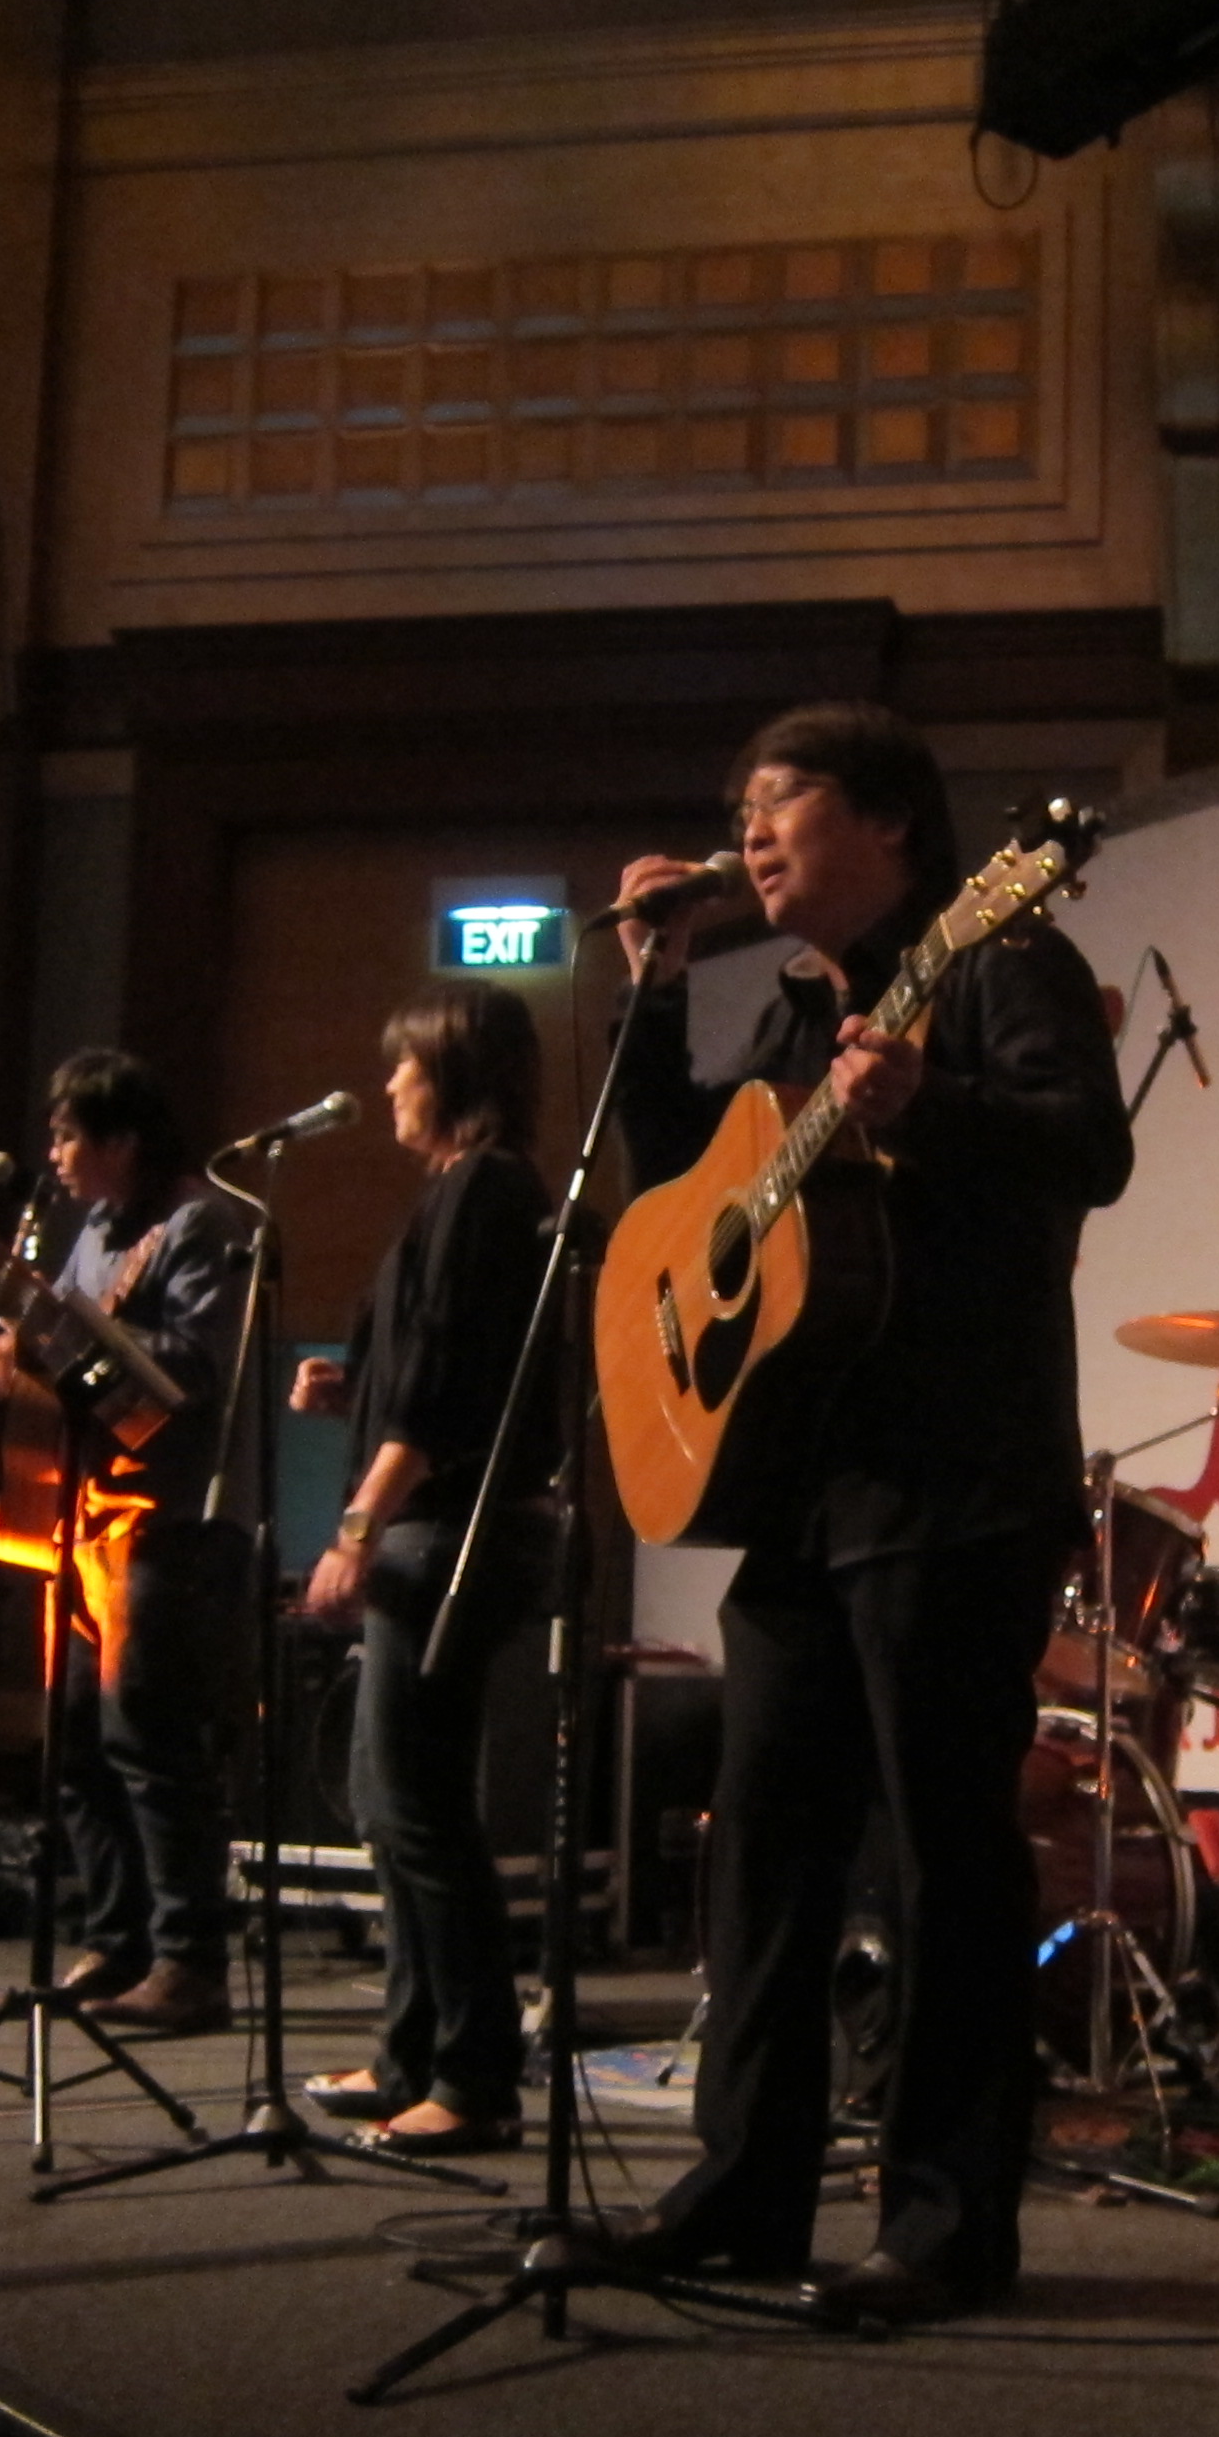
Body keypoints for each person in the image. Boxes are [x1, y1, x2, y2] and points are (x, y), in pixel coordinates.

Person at [599, 701, 1132, 2322]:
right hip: (805, 1485)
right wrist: (652, 992)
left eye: (782, 803)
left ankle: (948, 2221)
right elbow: (686, 1188)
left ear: (890, 821)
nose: (750, 837)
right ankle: (743, 2192)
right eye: (740, 815)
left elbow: (1088, 1149)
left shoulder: (997, 957)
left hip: (954, 1475)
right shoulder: (793, 1007)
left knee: (945, 1857)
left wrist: (926, 1106)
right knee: (763, 1850)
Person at [291, 987, 556, 2157]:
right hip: (434, 1523)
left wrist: (355, 1528)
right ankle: (410, 2053)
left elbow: (451, 1395)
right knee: (389, 1807)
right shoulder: (456, 1193)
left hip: (449, 1533)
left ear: (450, 1072)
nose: (389, 1084)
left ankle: (475, 2075)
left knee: (422, 1808)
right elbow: (434, 1376)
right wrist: (352, 1391)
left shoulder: (487, 1191)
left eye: (403, 1065)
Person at [0, 1049, 248, 2034]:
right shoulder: (93, 1229)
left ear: (123, 1140)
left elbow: (194, 1372)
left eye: (67, 1136)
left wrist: (52, 1345)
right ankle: (116, 1936)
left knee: (150, 1740)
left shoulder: (200, 1223)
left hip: (161, 1519)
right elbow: (68, 1352)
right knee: (78, 1738)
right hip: (82, 1517)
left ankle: (189, 1959)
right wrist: (20, 1355)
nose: (53, 1154)